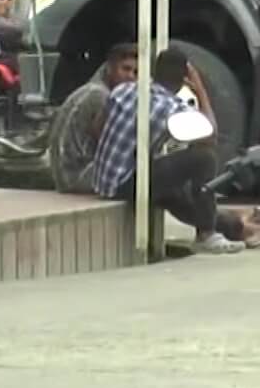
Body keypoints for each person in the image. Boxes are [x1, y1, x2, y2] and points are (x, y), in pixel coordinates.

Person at [90, 46, 247, 255]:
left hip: (103, 182)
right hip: (126, 185)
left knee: (176, 191)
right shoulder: (172, 107)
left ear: (154, 71)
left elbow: (96, 129)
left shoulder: (124, 90)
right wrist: (200, 90)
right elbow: (211, 136)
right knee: (204, 158)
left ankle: (232, 226)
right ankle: (207, 234)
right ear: (184, 79)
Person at [51, 44, 137, 195]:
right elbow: (109, 144)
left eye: (135, 72)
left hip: (68, 173)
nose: (130, 76)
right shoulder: (101, 96)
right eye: (125, 69)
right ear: (110, 68)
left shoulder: (94, 89)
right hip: (77, 175)